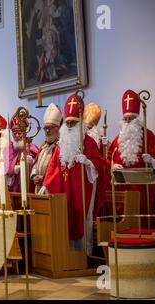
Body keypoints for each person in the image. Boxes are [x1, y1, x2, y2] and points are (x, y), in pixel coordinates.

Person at [41, 94, 103, 254]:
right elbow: (54, 168)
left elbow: (100, 165)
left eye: (73, 123)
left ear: (80, 123)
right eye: (67, 123)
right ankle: (67, 255)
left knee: (81, 219)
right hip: (64, 193)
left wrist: (88, 163)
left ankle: (83, 255)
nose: (69, 126)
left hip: (83, 191)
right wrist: (47, 185)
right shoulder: (61, 145)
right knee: (66, 220)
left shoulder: (89, 143)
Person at [107, 89, 155, 214]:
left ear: (138, 119)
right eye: (125, 119)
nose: (128, 122)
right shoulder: (117, 140)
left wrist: (152, 161)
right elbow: (108, 160)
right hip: (123, 191)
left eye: (131, 119)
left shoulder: (148, 136)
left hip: (144, 190)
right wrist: (112, 167)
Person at [31, 103, 62, 194]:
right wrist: (34, 176)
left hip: (52, 190)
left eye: (50, 128)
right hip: (39, 189)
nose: (47, 131)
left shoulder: (60, 147)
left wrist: (45, 180)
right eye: (46, 128)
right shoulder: (43, 146)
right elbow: (36, 165)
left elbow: (58, 171)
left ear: (58, 128)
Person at [4, 111, 39, 193]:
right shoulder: (7, 150)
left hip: (29, 189)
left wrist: (32, 162)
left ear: (24, 133)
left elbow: (39, 167)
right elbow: (3, 168)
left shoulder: (33, 148)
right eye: (14, 133)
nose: (17, 136)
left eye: (19, 133)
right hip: (13, 190)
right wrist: (13, 169)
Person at [83, 102, 107, 219]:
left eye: (89, 127)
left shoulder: (101, 140)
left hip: (95, 178)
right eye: (85, 126)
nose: (87, 129)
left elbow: (104, 161)